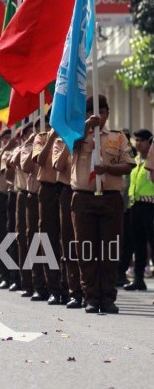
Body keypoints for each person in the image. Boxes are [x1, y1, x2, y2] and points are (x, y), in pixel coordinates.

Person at [70, 95, 134, 313]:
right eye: (90, 113)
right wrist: (85, 129)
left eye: (101, 112)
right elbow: (68, 149)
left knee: (111, 249)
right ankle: (90, 297)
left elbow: (128, 165)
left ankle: (107, 297)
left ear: (107, 113)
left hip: (110, 198)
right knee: (86, 249)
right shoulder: (76, 134)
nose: (97, 116)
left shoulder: (118, 138)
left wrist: (106, 169)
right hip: (84, 197)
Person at [124, 129, 154, 291]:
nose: (138, 143)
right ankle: (138, 278)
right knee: (138, 244)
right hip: (135, 206)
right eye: (136, 140)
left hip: (150, 205)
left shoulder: (152, 159)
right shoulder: (135, 160)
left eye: (141, 140)